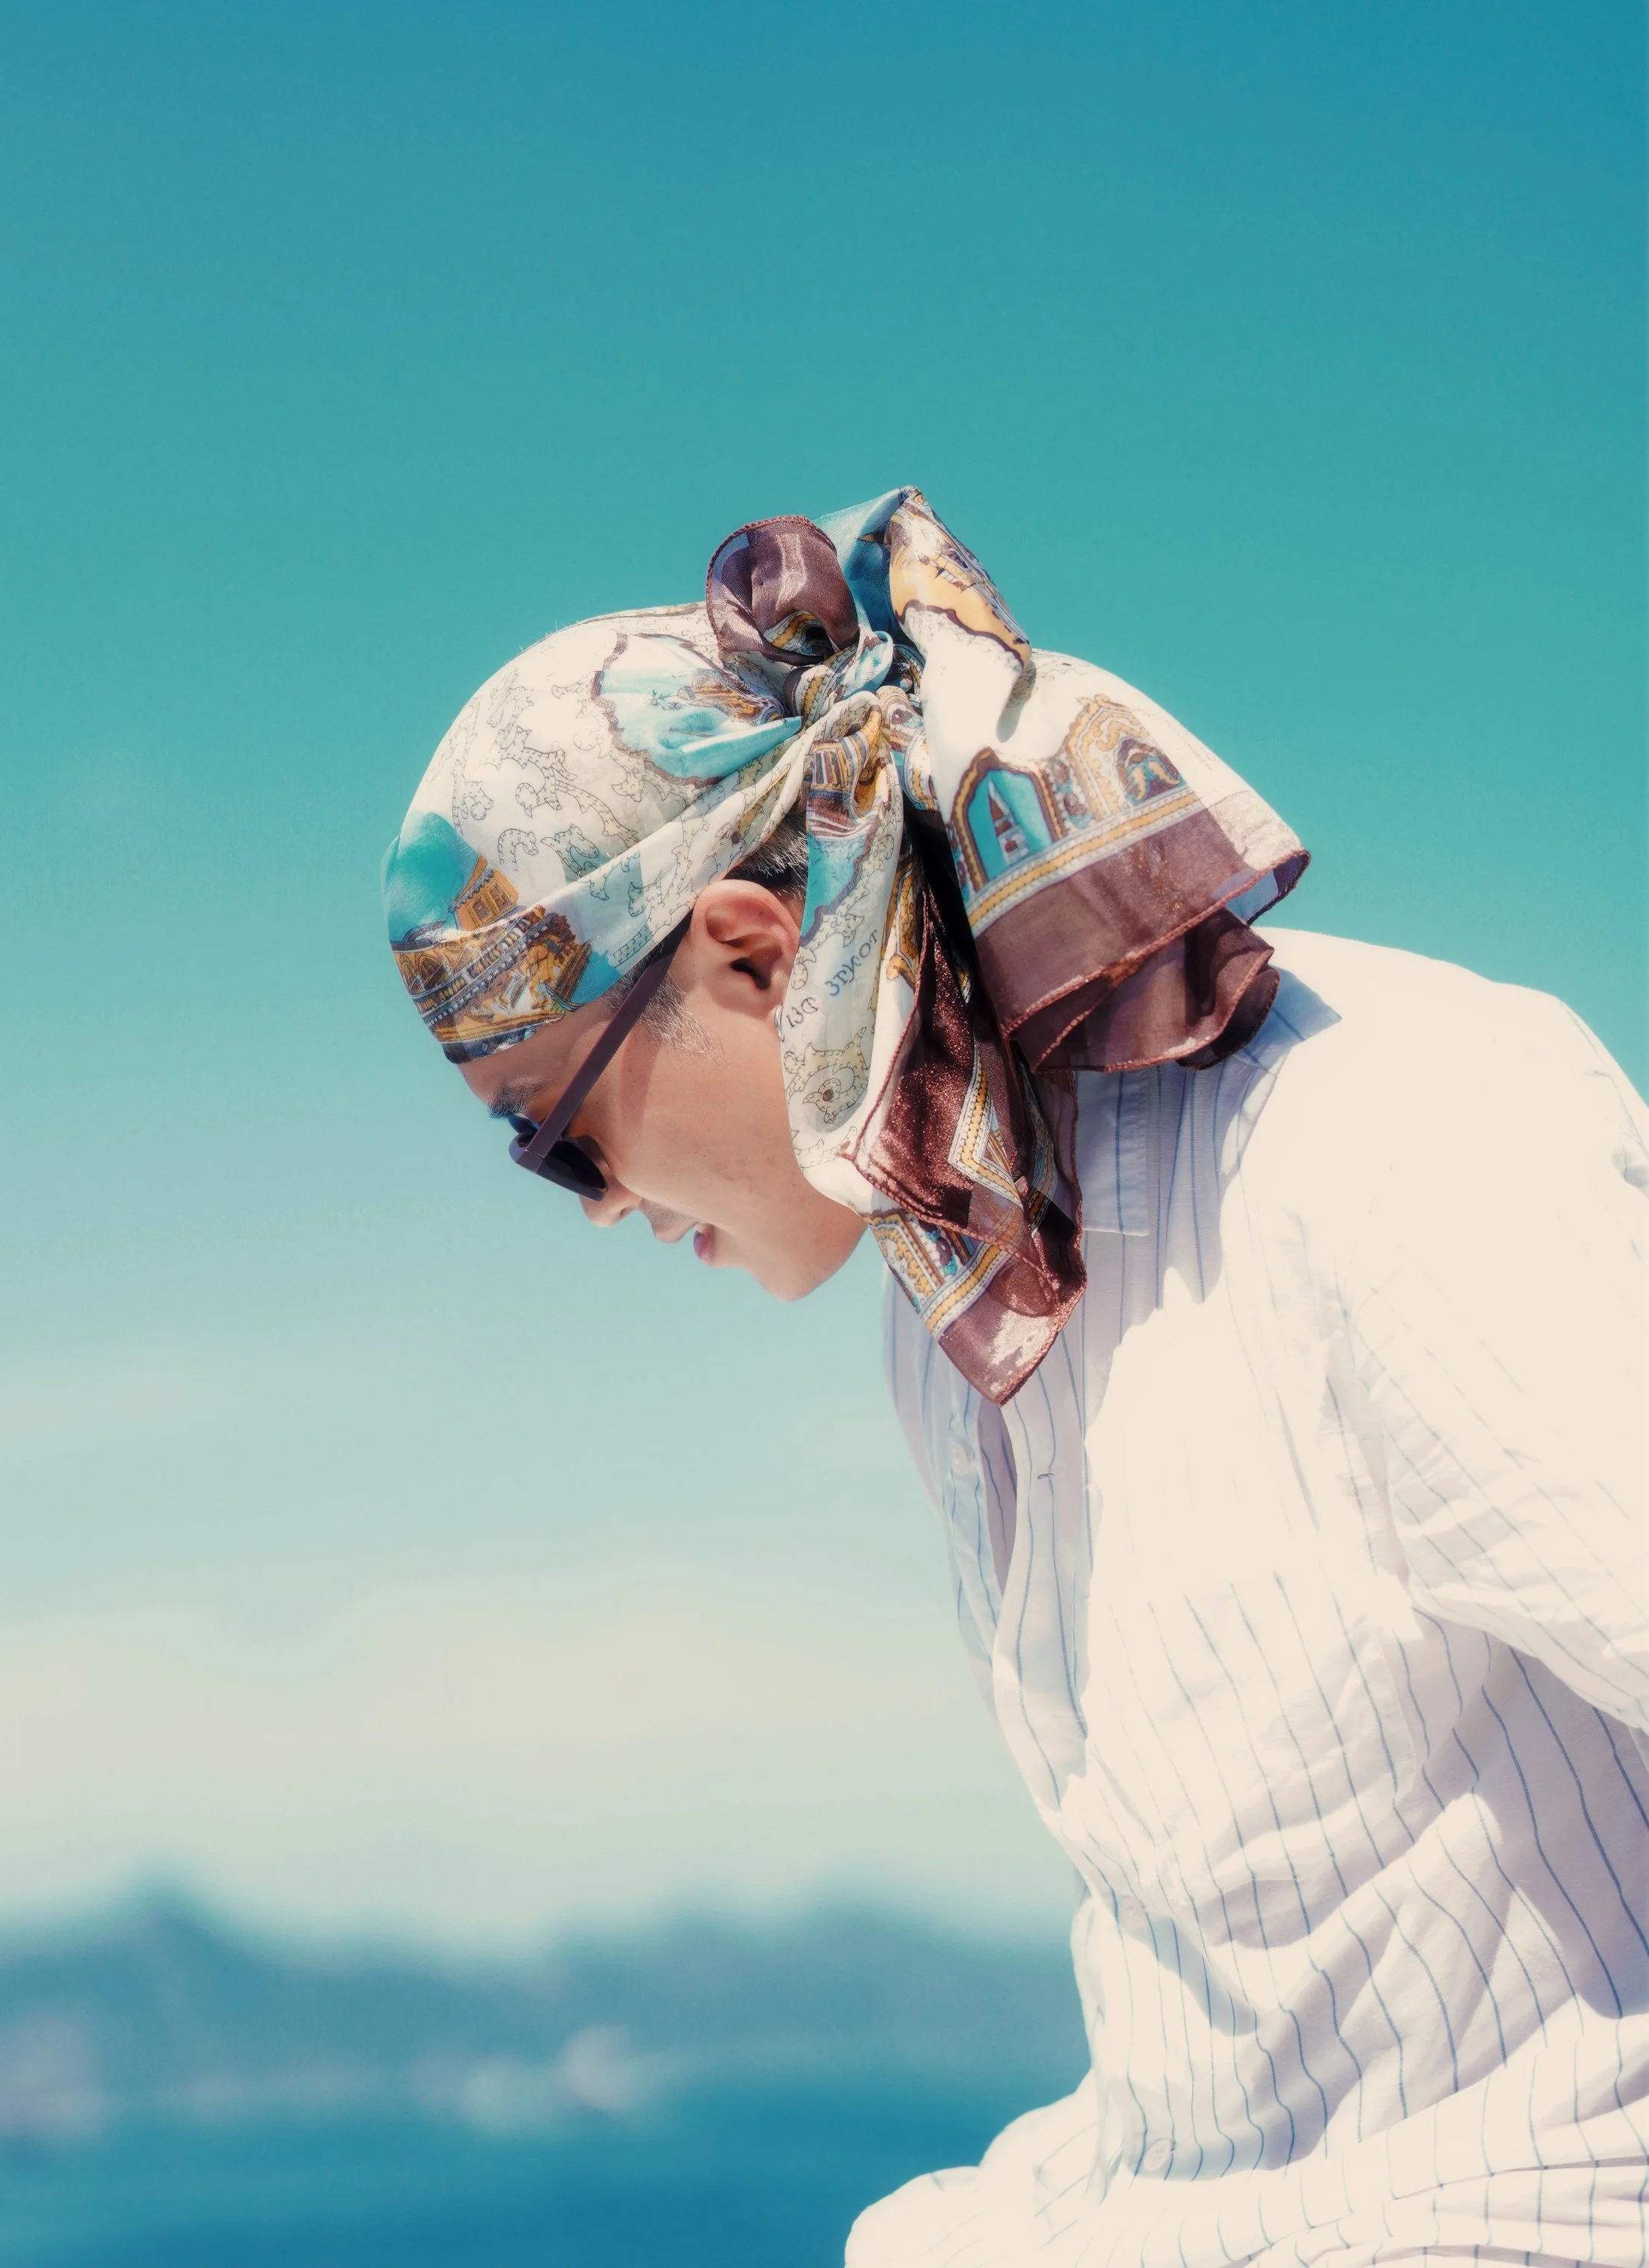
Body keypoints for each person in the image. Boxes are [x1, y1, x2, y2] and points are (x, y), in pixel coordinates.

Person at [381, 490, 1648, 2266]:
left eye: (553, 1138)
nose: (592, 1212)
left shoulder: (1383, 1137)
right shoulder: (957, 1308)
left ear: (749, 947)